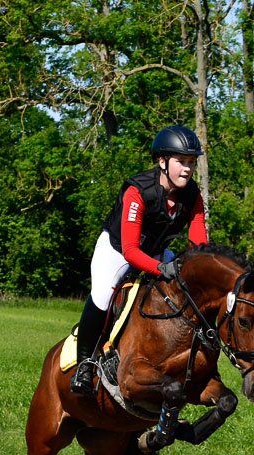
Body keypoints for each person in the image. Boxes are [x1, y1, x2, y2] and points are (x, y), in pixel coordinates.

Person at [70, 124, 208, 396]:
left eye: (191, 162)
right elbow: (132, 251)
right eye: (181, 162)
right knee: (102, 295)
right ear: (162, 161)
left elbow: (199, 242)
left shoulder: (192, 194)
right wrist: (161, 267)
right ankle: (84, 364)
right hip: (118, 251)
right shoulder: (138, 190)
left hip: (157, 252)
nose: (188, 169)